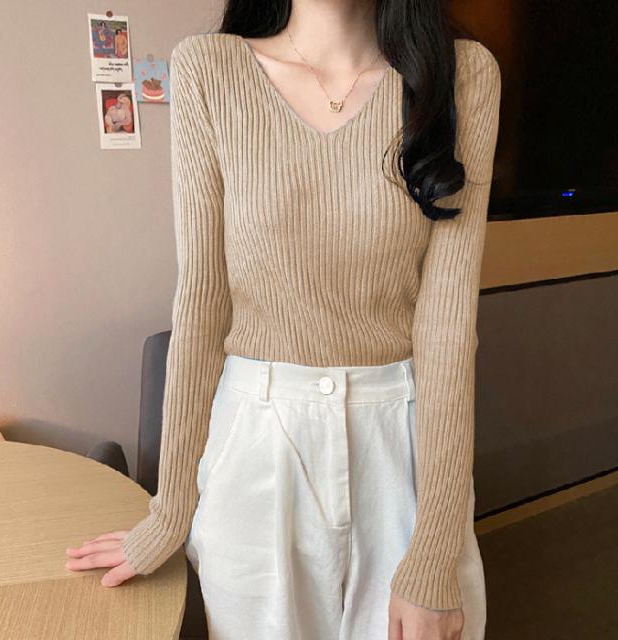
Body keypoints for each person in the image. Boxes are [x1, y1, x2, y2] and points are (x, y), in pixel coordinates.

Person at [65, 1, 501, 638]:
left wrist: (434, 555)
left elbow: (449, 330)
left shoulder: (463, 76)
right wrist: (169, 512)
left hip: (403, 453)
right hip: (256, 449)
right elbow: (202, 305)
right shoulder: (209, 70)